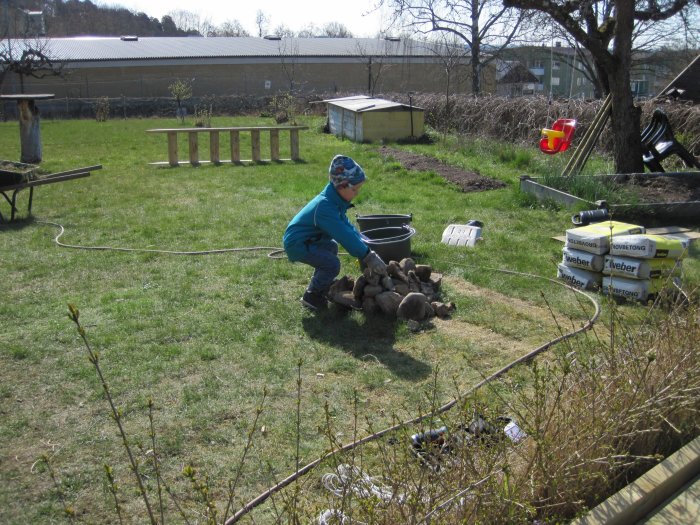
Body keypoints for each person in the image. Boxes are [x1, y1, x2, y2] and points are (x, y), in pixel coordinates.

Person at [283, 154, 388, 310]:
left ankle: (321, 284)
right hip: (298, 244)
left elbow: (346, 226)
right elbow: (342, 234)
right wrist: (368, 256)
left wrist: (360, 238)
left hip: (311, 240)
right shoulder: (325, 208)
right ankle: (312, 296)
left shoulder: (334, 201)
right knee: (332, 264)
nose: (357, 193)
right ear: (342, 186)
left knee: (331, 248)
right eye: (355, 189)